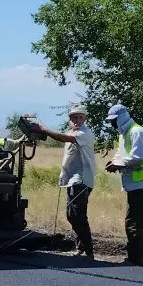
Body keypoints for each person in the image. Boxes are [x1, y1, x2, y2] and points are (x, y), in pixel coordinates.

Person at [37, 104, 97, 259]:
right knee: (71, 215)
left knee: (79, 215)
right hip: (72, 180)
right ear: (70, 119)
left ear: (85, 118)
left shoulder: (85, 133)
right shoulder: (73, 132)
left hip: (82, 180)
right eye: (74, 117)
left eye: (80, 117)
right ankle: (81, 247)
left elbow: (61, 137)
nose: (77, 120)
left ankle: (89, 250)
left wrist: (43, 129)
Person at [104, 104, 143, 266]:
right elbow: (122, 154)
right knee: (133, 221)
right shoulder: (125, 134)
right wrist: (114, 162)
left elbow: (138, 157)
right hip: (134, 184)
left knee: (136, 222)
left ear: (122, 117)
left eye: (114, 121)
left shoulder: (137, 132)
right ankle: (134, 255)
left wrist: (118, 164)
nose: (112, 125)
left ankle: (137, 258)